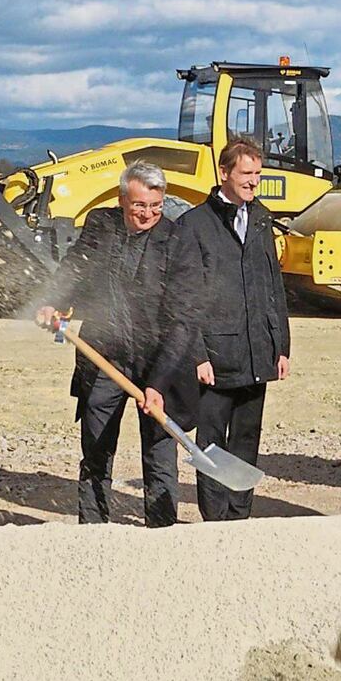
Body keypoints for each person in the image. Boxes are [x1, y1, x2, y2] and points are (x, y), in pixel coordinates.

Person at [37, 162, 192, 527]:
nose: (149, 214)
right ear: (123, 199)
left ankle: (161, 529)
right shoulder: (101, 224)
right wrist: (55, 302)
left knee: (159, 452)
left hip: (156, 363)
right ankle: (93, 529)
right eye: (140, 206)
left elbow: (183, 318)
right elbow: (74, 268)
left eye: (156, 206)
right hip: (103, 355)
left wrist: (158, 384)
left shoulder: (175, 239)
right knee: (95, 447)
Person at [171, 136, 290, 521]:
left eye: (257, 174)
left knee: (246, 440)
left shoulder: (261, 218)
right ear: (224, 172)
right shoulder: (193, 225)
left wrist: (281, 345)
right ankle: (215, 520)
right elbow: (183, 298)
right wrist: (198, 355)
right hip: (214, 360)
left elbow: (273, 285)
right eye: (246, 174)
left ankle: (240, 518)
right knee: (211, 445)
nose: (254, 182)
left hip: (257, 353)